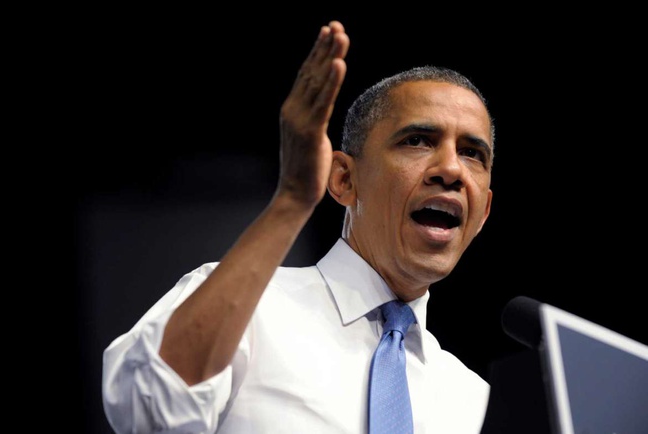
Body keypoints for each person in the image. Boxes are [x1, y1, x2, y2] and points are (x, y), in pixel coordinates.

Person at [102, 20, 495, 434]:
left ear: (483, 212)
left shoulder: (476, 403)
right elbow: (144, 408)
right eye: (417, 141)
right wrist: (291, 199)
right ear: (343, 179)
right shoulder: (242, 311)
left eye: (472, 153)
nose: (451, 169)